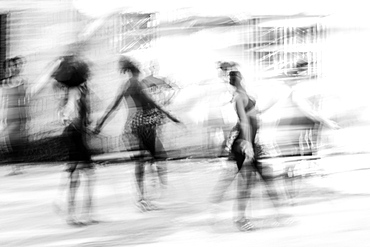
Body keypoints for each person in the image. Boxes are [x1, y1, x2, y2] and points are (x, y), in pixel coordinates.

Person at [94, 57, 181, 212]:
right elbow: (152, 103)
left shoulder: (126, 85)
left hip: (133, 126)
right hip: (145, 125)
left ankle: (142, 198)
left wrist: (100, 124)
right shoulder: (137, 84)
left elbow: (112, 107)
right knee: (158, 158)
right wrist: (170, 116)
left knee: (141, 162)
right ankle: (151, 192)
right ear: (136, 71)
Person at [209, 70, 282, 231]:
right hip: (243, 143)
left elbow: (254, 114)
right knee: (249, 180)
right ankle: (240, 218)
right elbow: (244, 122)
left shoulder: (243, 95)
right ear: (240, 79)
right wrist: (248, 145)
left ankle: (278, 214)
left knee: (261, 177)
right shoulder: (238, 97)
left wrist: (272, 102)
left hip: (248, 142)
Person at [1, 56, 27, 175]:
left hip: (18, 115)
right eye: (8, 67)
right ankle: (16, 166)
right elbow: (2, 101)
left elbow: (24, 100)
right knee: (9, 141)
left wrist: (25, 116)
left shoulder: (21, 82)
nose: (10, 69)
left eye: (12, 66)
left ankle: (17, 166)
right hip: (7, 115)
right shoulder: (3, 84)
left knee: (15, 140)